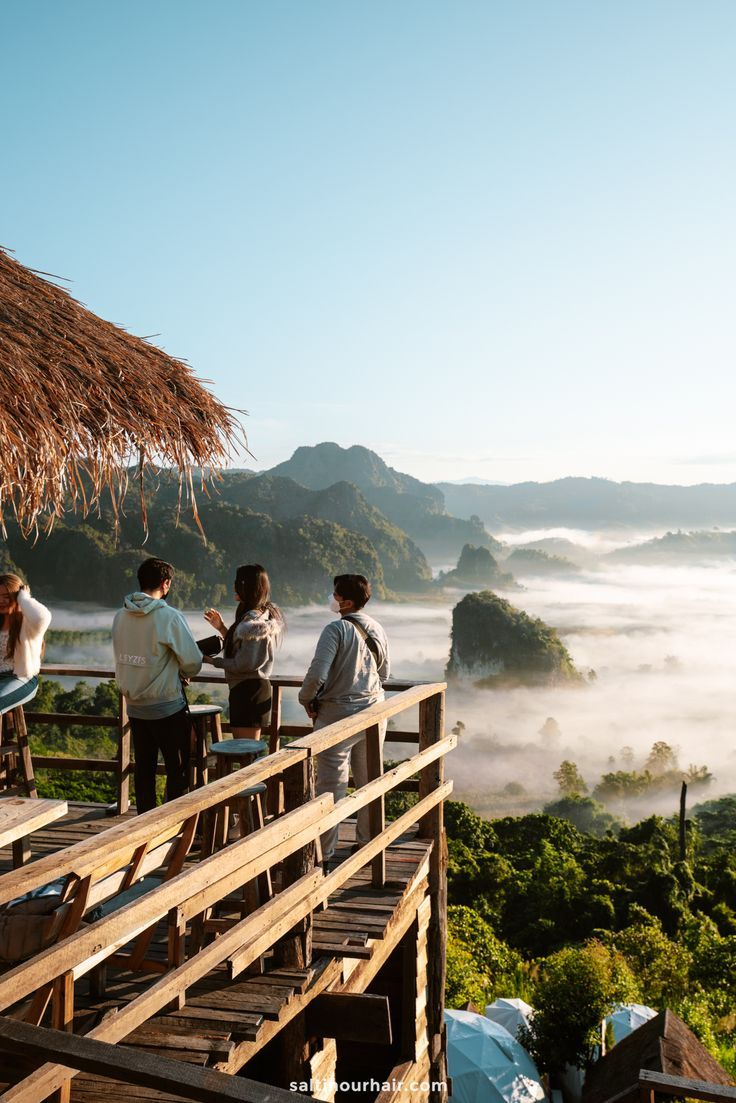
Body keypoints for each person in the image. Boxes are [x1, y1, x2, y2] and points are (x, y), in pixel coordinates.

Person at [299, 574, 389, 865]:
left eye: (336, 595)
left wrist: (305, 698)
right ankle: (368, 844)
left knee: (331, 785)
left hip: (337, 717)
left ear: (346, 602)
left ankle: (323, 854)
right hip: (373, 713)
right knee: (369, 780)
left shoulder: (335, 629)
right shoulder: (377, 627)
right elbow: (384, 674)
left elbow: (317, 673)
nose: (332, 599)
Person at [112, 557, 202, 814]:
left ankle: (144, 826)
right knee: (177, 770)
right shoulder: (169, 617)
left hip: (135, 706)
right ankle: (172, 825)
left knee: (144, 771)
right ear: (166, 583)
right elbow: (193, 662)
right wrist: (180, 670)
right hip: (167, 706)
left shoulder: (121, 616)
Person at [202, 564, 283, 739]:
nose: (234, 586)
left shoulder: (253, 621)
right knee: (245, 748)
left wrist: (211, 660)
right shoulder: (255, 617)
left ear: (246, 586)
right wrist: (222, 628)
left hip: (249, 691)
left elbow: (244, 663)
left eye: (237, 582)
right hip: (247, 689)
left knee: (245, 748)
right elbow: (242, 649)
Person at [0, 573, 51, 711]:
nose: (1, 601)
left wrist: (24, 598)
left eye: (6, 596)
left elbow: (42, 617)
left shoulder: (28, 623)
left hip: (21, 679)